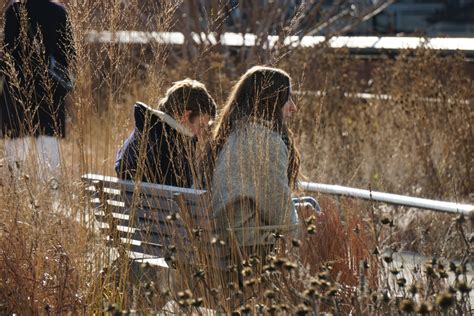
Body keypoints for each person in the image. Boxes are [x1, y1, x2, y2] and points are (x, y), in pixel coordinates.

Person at [208, 65, 302, 267]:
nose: (293, 107)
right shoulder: (265, 142)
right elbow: (283, 216)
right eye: (287, 99)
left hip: (222, 244)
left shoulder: (232, 133)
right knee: (321, 223)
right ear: (271, 101)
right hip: (249, 252)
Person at [1, 0, 75, 184]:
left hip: (17, 88)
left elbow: (6, 52)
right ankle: (51, 196)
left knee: (17, 145)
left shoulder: (15, 9)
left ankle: (17, 195)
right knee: (49, 146)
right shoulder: (59, 12)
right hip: (51, 89)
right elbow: (69, 54)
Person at [115, 79, 217, 188]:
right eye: (201, 125)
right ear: (185, 116)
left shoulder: (144, 133)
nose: (200, 135)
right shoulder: (170, 148)